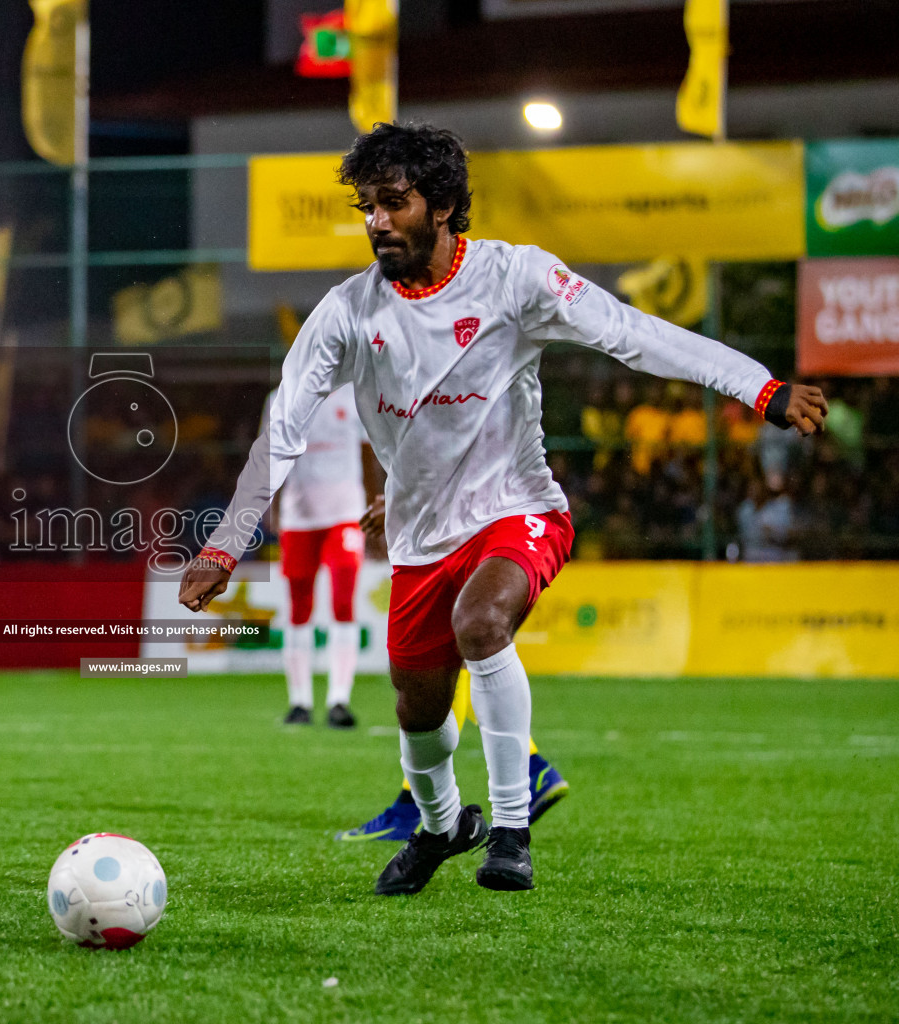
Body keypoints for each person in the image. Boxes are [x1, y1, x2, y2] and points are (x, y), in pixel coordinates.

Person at [179, 122, 826, 895]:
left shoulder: (517, 280)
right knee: (417, 708)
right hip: (419, 533)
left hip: (518, 509)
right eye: (367, 206)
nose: (376, 221)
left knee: (481, 624)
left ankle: (512, 832)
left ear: (445, 204)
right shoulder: (347, 313)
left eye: (394, 203)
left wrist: (760, 387)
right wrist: (224, 544)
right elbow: (281, 431)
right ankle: (443, 824)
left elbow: (633, 335)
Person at [334, 493, 570, 842]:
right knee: (452, 656)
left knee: (450, 655)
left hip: (487, 521)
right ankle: (533, 770)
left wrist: (409, 499)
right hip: (461, 521)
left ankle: (412, 807)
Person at [271, 386, 373, 728]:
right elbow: (271, 456)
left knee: (343, 603)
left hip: (345, 513)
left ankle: (338, 700)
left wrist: (373, 506)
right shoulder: (281, 397)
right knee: (299, 607)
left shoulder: (354, 396)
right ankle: (299, 702)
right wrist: (270, 506)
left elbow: (369, 452)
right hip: (299, 516)